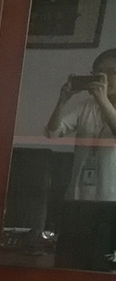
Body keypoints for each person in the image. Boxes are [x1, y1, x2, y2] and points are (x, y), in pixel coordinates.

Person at [45, 47, 116, 202]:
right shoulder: (86, 106)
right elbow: (52, 132)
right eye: (99, 72)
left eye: (112, 72)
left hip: (111, 198)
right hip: (78, 194)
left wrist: (103, 100)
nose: (104, 77)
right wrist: (62, 101)